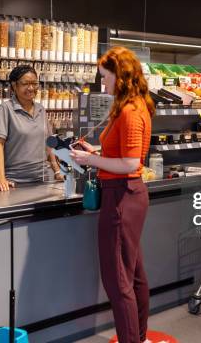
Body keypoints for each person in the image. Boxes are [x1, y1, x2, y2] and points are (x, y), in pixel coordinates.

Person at [70, 46, 154, 343]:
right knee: (133, 274)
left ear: (121, 76)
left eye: (105, 78)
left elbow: (131, 164)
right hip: (128, 196)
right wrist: (98, 151)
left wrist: (89, 160)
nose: (103, 84)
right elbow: (124, 155)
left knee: (117, 280)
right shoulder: (133, 105)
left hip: (121, 198)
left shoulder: (130, 111)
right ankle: (139, 337)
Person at [0, 65, 63, 191]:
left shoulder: (41, 109)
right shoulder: (6, 109)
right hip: (14, 182)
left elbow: (49, 142)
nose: (31, 88)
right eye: (25, 84)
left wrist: (57, 171)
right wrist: (1, 179)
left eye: (34, 83)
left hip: (42, 179)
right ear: (14, 86)